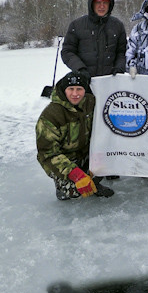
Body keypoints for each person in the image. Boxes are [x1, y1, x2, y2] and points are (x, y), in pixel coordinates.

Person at [36, 71, 114, 201]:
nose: (75, 94)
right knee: (74, 191)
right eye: (70, 89)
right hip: (66, 160)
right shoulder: (50, 115)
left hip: (88, 155)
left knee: (111, 162)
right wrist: (75, 174)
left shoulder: (92, 103)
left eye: (79, 89)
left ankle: (94, 182)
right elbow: (48, 154)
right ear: (64, 90)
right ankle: (63, 188)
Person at [61, 0, 127, 77]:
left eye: (105, 3)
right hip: (84, 81)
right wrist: (80, 68)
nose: (102, 6)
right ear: (91, 4)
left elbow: (122, 52)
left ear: (110, 4)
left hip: (111, 81)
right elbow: (67, 52)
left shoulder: (117, 25)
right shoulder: (77, 25)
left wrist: (119, 68)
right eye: (98, 3)